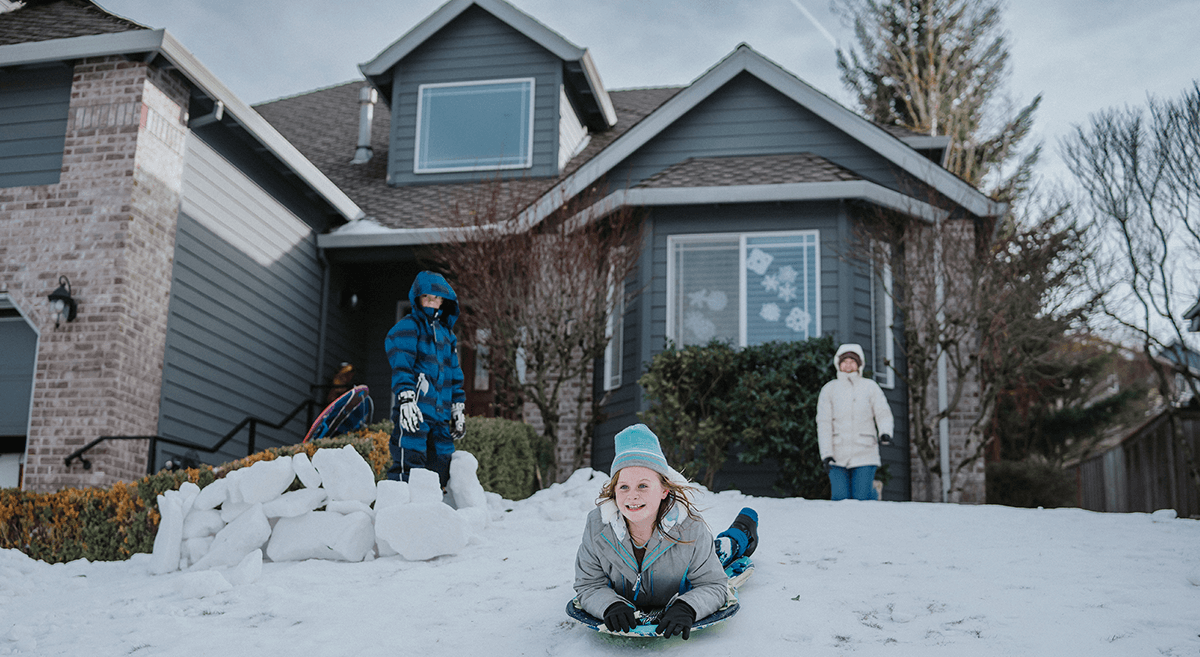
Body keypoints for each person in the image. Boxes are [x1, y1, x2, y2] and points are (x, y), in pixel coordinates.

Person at [573, 424, 759, 640]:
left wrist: (688, 607)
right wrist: (609, 604)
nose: (632, 496)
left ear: (664, 490)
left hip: (689, 573)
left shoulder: (690, 528)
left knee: (724, 551)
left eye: (643, 485)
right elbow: (589, 584)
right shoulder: (598, 527)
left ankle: (743, 530)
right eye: (624, 487)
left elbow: (712, 584)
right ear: (614, 491)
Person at [384, 271, 466, 487]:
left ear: (444, 301)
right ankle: (400, 508)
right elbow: (402, 365)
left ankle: (434, 511)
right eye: (427, 297)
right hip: (416, 411)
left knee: (441, 462)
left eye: (437, 298)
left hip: (441, 414)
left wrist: (457, 407)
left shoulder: (448, 336)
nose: (432, 302)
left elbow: (454, 375)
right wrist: (406, 398)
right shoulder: (409, 327)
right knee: (410, 461)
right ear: (417, 298)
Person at [816, 343, 894, 501]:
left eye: (852, 361)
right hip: (837, 453)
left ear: (859, 364)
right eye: (845, 361)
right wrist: (826, 453)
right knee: (840, 498)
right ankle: (843, 526)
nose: (848, 365)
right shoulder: (830, 389)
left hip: (865, 452)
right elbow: (823, 423)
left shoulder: (870, 387)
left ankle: (872, 494)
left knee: (861, 497)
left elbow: (882, 412)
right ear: (839, 364)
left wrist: (885, 432)